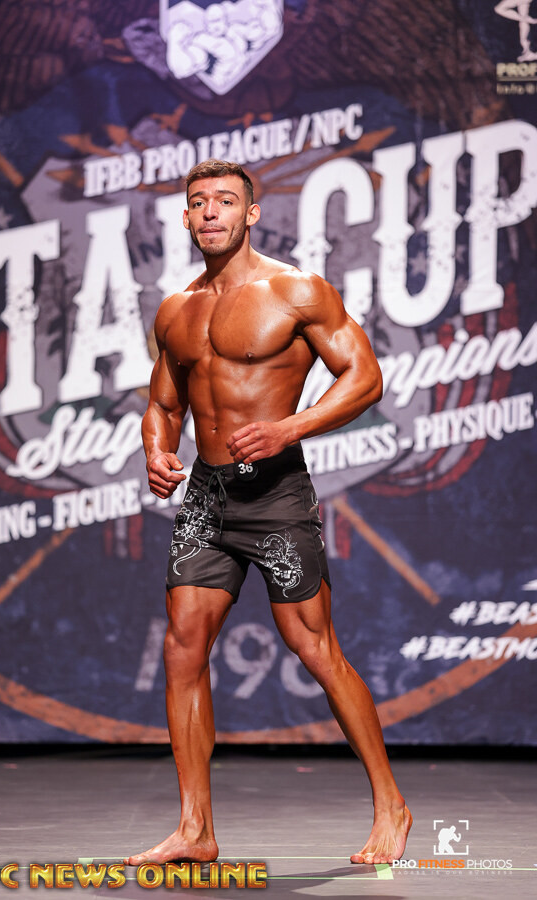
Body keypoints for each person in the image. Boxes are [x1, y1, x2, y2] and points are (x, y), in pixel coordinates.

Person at [125, 159, 412, 867]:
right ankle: (195, 830)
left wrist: (290, 428)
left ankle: (391, 804)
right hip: (207, 497)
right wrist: (157, 450)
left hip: (276, 494)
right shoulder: (176, 310)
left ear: (251, 213)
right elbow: (162, 403)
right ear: (186, 218)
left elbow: (365, 378)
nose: (211, 212)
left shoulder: (296, 290)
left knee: (315, 648)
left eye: (226, 201)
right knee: (182, 647)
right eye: (199, 202)